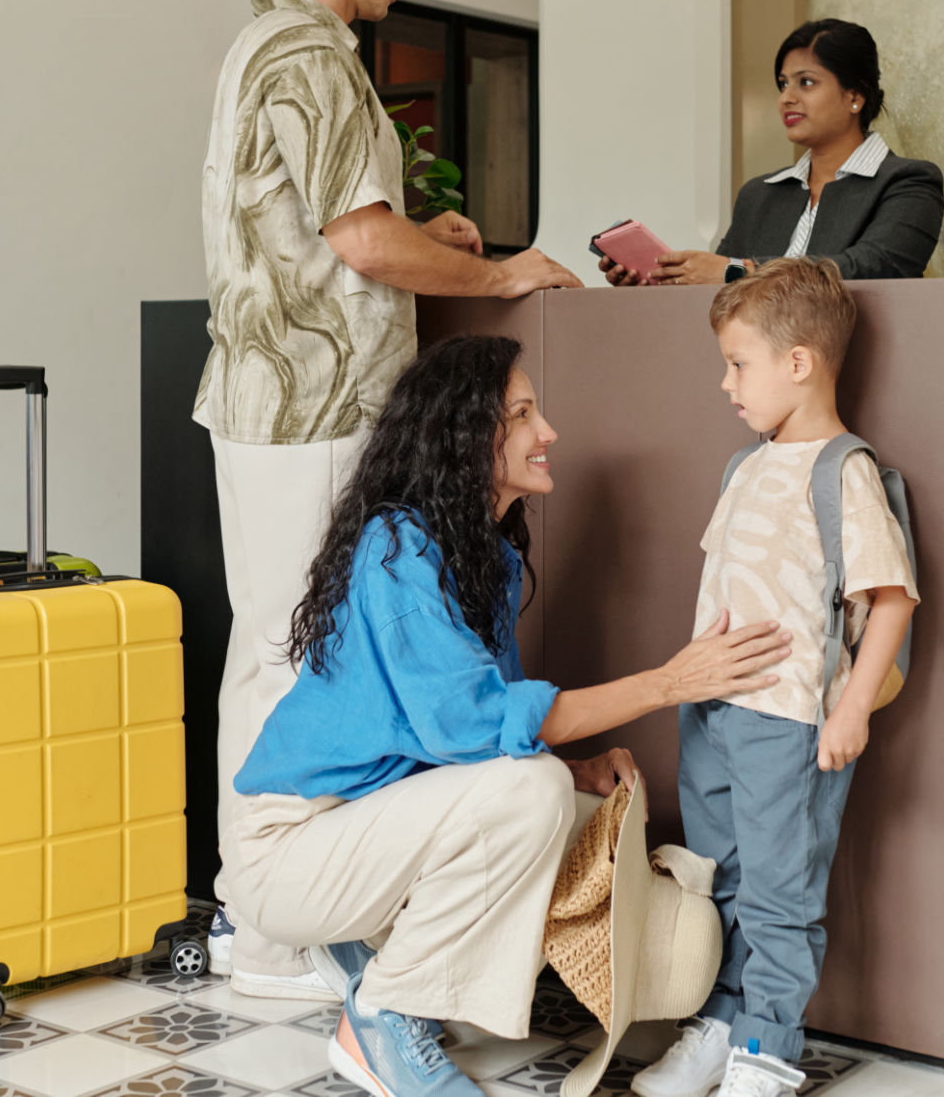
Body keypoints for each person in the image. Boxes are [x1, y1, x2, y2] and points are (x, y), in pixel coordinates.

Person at [196, 0, 581, 1000]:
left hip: (274, 398)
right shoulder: (311, 56)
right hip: (311, 408)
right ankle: (271, 933)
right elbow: (359, 245)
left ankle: (277, 915)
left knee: (273, 649)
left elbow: (335, 236)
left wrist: (432, 243)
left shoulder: (262, 46)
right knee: (289, 659)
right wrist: (508, 269)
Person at [223, 335, 796, 1097]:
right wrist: (669, 682)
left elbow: (485, 739)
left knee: (559, 793)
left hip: (362, 826)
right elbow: (476, 724)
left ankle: (377, 958)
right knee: (531, 793)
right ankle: (381, 1017)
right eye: (522, 413)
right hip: (289, 843)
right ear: (463, 434)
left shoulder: (482, 555)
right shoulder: (395, 552)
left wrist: (580, 767)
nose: (547, 431)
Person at [631, 258, 919, 1097]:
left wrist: (853, 707)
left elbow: (892, 602)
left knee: (780, 889)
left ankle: (766, 1050)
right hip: (712, 714)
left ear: (799, 362)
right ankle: (721, 1022)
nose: (726, 384)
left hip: (788, 720)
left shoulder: (844, 472)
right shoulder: (745, 466)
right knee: (719, 877)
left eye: (738, 363)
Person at [600, 19, 943, 287]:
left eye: (806, 82)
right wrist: (658, 280)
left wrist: (739, 271)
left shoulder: (908, 182)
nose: (786, 98)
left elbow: (870, 269)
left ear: (855, 96)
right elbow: (716, 294)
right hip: (751, 370)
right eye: (783, 84)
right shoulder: (759, 195)